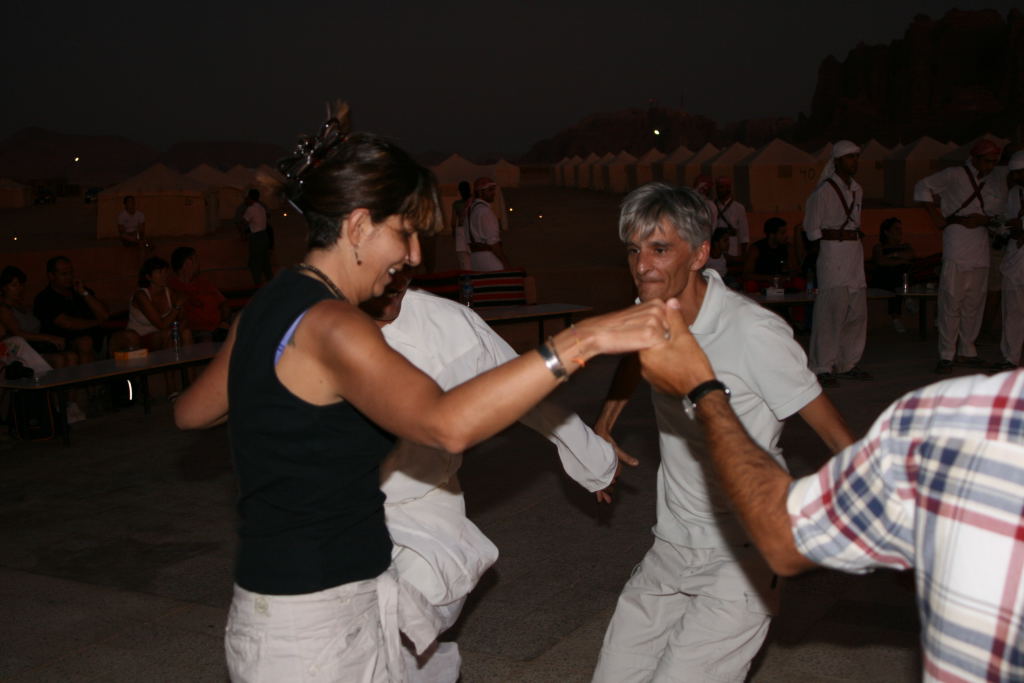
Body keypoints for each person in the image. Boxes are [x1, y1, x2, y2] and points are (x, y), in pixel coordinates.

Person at [172, 107, 669, 682]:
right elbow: (444, 423)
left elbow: (193, 412)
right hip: (319, 628)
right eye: (404, 232)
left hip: (270, 607)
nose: (411, 255)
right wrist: (585, 339)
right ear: (358, 226)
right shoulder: (336, 325)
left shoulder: (269, 306)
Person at [637, 304, 1024, 683]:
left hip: (740, 547)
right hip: (676, 541)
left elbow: (786, 534)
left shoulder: (960, 420)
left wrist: (705, 392)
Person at [591, 183, 853, 683]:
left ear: (700, 253)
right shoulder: (652, 308)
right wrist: (606, 422)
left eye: (660, 249)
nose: (642, 265)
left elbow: (832, 428)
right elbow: (634, 352)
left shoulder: (753, 332)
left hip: (745, 551)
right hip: (671, 541)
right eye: (633, 249)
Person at [360, 267, 622, 681]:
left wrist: (594, 461)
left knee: (405, 626)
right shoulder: (323, 324)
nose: (395, 282)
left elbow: (525, 393)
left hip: (426, 510)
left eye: (404, 269)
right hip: (341, 511)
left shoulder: (448, 324)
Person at [914, 139, 1005, 374]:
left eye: (994, 162)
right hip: (956, 238)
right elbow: (922, 186)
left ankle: (968, 350)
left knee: (974, 301)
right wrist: (933, 214)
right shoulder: (954, 174)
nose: (990, 166)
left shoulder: (994, 181)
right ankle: (946, 353)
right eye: (987, 161)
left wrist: (985, 220)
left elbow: (997, 213)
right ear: (975, 158)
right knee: (951, 299)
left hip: (980, 243)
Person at [803, 140, 871, 387]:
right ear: (838, 161)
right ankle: (822, 366)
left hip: (853, 254)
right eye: (850, 157)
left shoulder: (857, 189)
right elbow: (811, 229)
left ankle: (848, 363)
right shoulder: (823, 192)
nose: (855, 162)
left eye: (856, 157)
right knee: (830, 311)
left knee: (856, 311)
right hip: (832, 254)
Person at [32, 256, 111, 364]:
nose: (69, 277)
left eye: (71, 273)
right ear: (51, 276)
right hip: (68, 342)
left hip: (98, 337)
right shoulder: (45, 298)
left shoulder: (79, 291)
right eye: (64, 274)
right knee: (85, 342)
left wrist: (84, 293)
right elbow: (67, 323)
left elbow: (104, 315)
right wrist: (97, 323)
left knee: (128, 336)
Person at [0, 265, 77, 368]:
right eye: (14, 285)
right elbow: (18, 333)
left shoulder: (24, 306)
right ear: (4, 287)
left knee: (72, 356)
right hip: (24, 351)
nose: (19, 289)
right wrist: (49, 338)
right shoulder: (4, 309)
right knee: (59, 359)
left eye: (21, 285)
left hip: (39, 346)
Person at [992, 151, 1024, 370]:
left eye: (1019, 173)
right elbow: (1006, 221)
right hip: (1016, 255)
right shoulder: (1014, 193)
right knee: (1012, 308)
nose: (1014, 178)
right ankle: (1010, 358)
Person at [126, 256, 192, 351]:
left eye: (165, 272)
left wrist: (177, 331)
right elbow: (161, 325)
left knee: (186, 333)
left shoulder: (170, 292)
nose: (164, 276)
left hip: (163, 335)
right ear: (148, 277)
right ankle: (171, 364)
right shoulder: (141, 295)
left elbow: (184, 318)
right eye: (159, 272)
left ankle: (188, 365)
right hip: (139, 337)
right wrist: (176, 307)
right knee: (168, 334)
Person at [169, 247, 232, 342]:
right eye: (195, 260)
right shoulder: (172, 287)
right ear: (186, 263)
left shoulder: (205, 283)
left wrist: (223, 321)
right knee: (206, 337)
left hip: (218, 327)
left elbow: (224, 304)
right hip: (196, 330)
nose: (198, 264)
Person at [871, 217, 915, 333]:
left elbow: (910, 255)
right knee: (894, 273)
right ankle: (905, 297)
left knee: (898, 276)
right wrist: (900, 260)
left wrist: (893, 255)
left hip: (900, 279)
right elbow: (881, 261)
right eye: (896, 229)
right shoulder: (879, 247)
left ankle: (896, 318)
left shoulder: (906, 246)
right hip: (884, 280)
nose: (900, 232)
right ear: (887, 232)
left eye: (901, 229)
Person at [742, 217, 798, 291]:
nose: (786, 236)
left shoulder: (788, 247)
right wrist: (769, 278)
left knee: (798, 282)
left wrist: (786, 277)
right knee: (750, 285)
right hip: (762, 284)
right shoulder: (756, 249)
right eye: (782, 233)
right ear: (772, 235)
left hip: (783, 284)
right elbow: (746, 274)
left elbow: (795, 270)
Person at [466, 177, 508, 271]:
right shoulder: (484, 211)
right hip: (489, 259)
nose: (493, 193)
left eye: (493, 189)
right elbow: (493, 243)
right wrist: (505, 263)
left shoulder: (471, 209)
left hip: (475, 259)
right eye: (490, 190)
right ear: (480, 192)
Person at [242, 189, 274, 285]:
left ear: (250, 198)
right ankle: (271, 282)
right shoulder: (261, 207)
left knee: (255, 263)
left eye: (247, 198)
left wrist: (243, 231)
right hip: (264, 236)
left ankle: (257, 285)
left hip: (256, 237)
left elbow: (244, 221)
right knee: (265, 262)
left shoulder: (250, 209)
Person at [714, 176, 749, 258]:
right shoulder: (712, 206)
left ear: (729, 188)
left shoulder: (739, 208)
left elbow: (744, 232)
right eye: (718, 187)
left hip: (732, 246)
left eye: (722, 187)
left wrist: (743, 254)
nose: (719, 190)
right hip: (716, 247)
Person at [451, 180, 472, 270]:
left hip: (463, 231)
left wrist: (454, 232)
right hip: (471, 230)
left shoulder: (457, 204)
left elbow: (452, 222)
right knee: (472, 258)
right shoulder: (474, 202)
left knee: (464, 260)